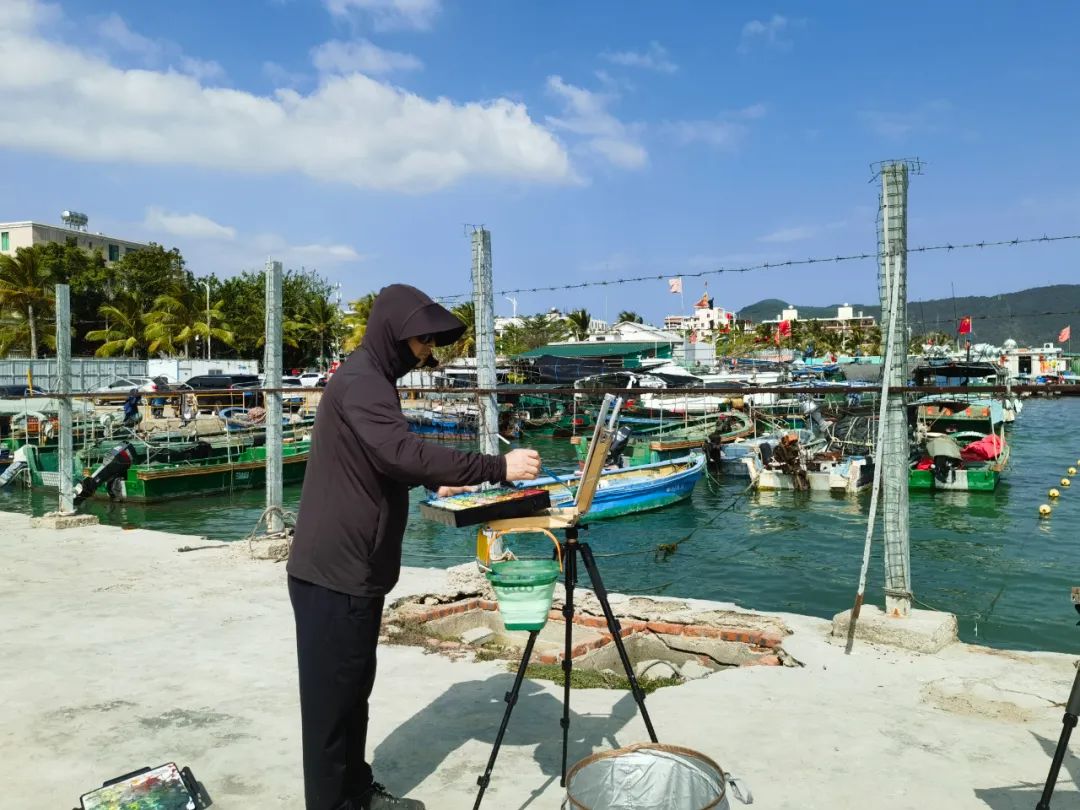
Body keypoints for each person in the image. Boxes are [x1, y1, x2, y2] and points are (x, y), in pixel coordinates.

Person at [287, 284, 541, 810]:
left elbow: (378, 463)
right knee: (333, 705)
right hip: (337, 568)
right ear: (397, 334)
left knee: (351, 694)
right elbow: (401, 451)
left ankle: (355, 792)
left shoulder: (368, 378)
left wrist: (432, 482)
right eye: (424, 341)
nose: (429, 351)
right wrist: (497, 466)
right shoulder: (362, 382)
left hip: (348, 565)